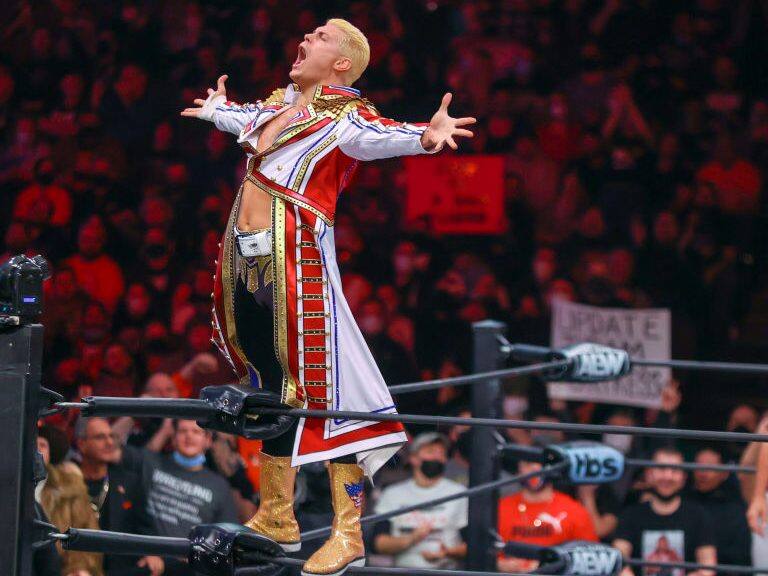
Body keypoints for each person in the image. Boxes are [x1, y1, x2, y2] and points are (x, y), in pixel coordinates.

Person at [181, 17, 475, 576]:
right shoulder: (280, 105)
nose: (306, 39)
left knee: (328, 388)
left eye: (319, 36)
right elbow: (245, 119)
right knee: (270, 386)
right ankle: (276, 515)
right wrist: (217, 109)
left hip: (299, 263)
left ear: (342, 62)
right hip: (248, 261)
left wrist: (425, 136)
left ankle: (348, 531)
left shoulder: (344, 117)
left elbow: (378, 137)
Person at [75, 417, 164, 576]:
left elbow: (146, 527)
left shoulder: (129, 482)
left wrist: (153, 553)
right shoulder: (67, 481)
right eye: (100, 437)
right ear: (82, 444)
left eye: (111, 436)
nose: (109, 443)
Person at [613, 446, 716, 576]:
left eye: (674, 470)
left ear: (684, 478)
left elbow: (708, 568)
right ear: (649, 474)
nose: (668, 476)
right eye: (661, 469)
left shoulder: (699, 516)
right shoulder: (630, 515)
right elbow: (619, 563)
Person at [372, 433, 467, 569]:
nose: (437, 457)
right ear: (414, 458)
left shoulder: (459, 493)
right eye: (430, 452)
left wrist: (448, 553)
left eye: (441, 453)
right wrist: (412, 538)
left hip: (446, 570)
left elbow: (474, 544)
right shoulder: (392, 494)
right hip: (403, 570)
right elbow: (378, 544)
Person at [496, 455, 598, 572]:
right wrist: (499, 564)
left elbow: (591, 560)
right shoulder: (499, 508)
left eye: (542, 464)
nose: (535, 468)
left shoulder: (575, 510)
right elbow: (481, 553)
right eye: (528, 464)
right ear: (519, 470)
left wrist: (553, 567)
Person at [687, 446, 751, 570]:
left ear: (724, 473)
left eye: (710, 466)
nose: (702, 472)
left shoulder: (734, 506)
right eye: (698, 465)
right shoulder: (682, 500)